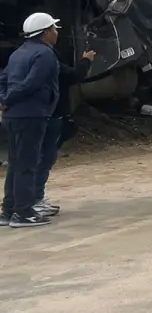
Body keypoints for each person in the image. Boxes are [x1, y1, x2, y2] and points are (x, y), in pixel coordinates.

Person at [0, 12, 62, 227]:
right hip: (32, 114)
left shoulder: (18, 53)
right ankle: (24, 212)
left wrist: (4, 100)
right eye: (54, 29)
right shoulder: (44, 54)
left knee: (16, 164)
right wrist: (9, 97)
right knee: (27, 164)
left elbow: (3, 79)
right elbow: (32, 83)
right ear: (45, 33)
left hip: (12, 115)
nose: (56, 32)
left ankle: (8, 210)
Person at [35, 46, 96, 217]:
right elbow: (74, 75)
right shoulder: (47, 57)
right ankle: (34, 199)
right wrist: (86, 60)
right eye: (53, 29)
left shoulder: (23, 55)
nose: (56, 33)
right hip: (51, 114)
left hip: (40, 114)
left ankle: (26, 200)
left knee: (34, 159)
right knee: (44, 158)